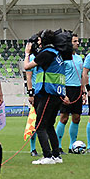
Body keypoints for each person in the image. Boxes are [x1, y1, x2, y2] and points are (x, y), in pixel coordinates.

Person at [23, 29, 69, 164]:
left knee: (40, 125)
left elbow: (27, 66)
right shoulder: (56, 53)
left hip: (47, 92)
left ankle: (47, 156)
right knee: (49, 125)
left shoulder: (47, 53)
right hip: (55, 93)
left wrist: (27, 54)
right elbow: (43, 59)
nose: (37, 42)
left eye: (39, 40)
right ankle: (56, 155)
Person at [55, 33, 84, 153]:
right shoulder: (62, 57)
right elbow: (59, 76)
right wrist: (63, 93)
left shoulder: (79, 58)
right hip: (66, 89)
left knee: (76, 117)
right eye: (74, 41)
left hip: (77, 90)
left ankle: (73, 146)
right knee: (64, 117)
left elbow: (82, 75)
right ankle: (58, 145)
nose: (77, 43)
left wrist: (84, 92)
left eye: (78, 41)